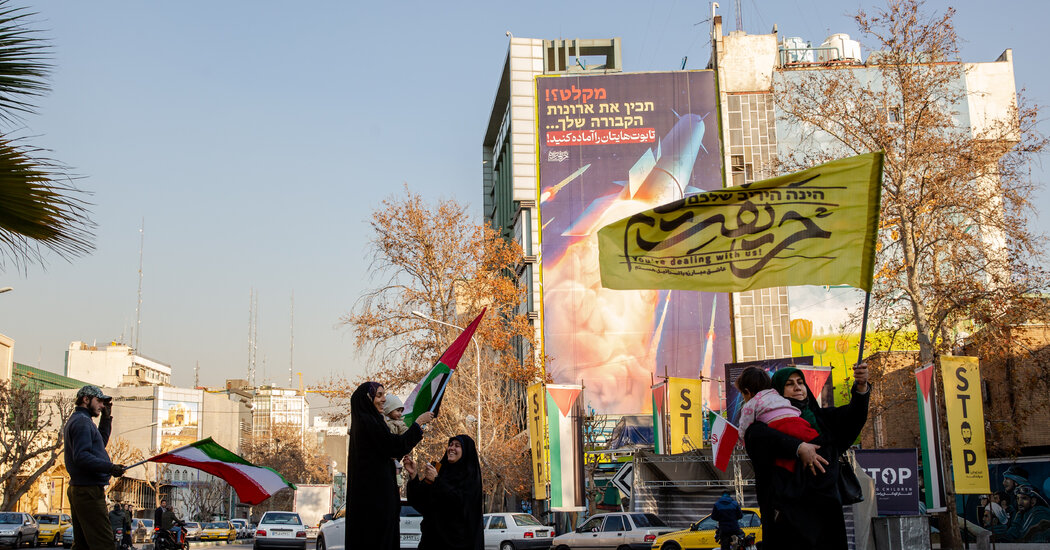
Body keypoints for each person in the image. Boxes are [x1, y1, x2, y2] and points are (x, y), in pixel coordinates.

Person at [742, 363, 870, 550]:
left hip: (826, 517)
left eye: (800, 382)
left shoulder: (822, 421)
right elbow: (757, 437)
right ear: (776, 391)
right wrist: (798, 447)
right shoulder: (763, 423)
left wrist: (861, 386)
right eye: (789, 384)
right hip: (788, 520)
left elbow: (853, 418)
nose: (797, 387)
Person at [346, 382, 434, 550]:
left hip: (375, 503)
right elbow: (394, 446)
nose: (384, 399)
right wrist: (417, 424)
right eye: (379, 395)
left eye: (384, 395)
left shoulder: (368, 422)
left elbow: (386, 450)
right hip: (375, 505)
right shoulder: (369, 423)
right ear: (367, 399)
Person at [64, 385, 126, 550]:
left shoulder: (81, 420)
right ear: (86, 399)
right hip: (88, 490)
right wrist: (110, 468)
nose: (102, 406)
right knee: (103, 543)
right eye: (99, 401)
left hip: (81, 488)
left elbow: (99, 444)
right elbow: (82, 457)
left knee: (83, 544)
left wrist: (106, 419)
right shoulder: (82, 422)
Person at [404, 435, 484, 550]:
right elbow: (419, 501)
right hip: (431, 540)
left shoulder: (470, 477)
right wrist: (413, 476)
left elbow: (461, 504)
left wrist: (437, 481)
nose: (451, 448)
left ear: (466, 451)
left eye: (457, 446)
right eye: (450, 445)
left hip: (457, 542)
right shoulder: (439, 470)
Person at [735, 367, 819, 472]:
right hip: (800, 423)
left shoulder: (751, 404)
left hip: (780, 427)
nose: (797, 388)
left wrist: (742, 439)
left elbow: (745, 424)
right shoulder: (777, 394)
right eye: (789, 384)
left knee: (786, 462)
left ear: (747, 392)